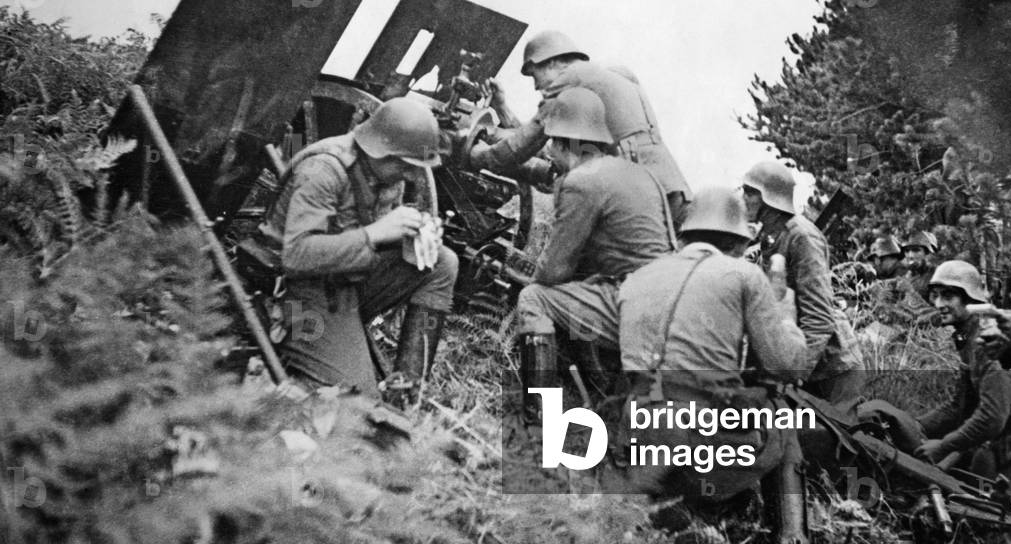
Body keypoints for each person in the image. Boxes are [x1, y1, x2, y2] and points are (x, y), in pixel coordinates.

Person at [614, 185, 807, 501]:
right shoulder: (744, 274)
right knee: (780, 412)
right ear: (738, 242)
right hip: (693, 445)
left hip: (635, 434)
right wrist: (786, 315)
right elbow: (785, 365)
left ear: (685, 235)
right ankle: (792, 535)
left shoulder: (638, 276)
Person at [257, 97, 458, 402]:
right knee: (359, 402)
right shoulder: (323, 170)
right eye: (404, 165)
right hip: (297, 296)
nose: (409, 175)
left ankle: (407, 391)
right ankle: (309, 350)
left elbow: (369, 234)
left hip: (345, 283)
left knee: (442, 263)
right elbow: (297, 256)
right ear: (381, 151)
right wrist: (376, 233)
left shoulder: (384, 175)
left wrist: (409, 239)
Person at [516, 86, 676, 422]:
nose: (550, 154)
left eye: (552, 144)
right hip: (672, 303)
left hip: (636, 306)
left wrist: (525, 276)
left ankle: (538, 417)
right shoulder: (640, 174)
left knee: (534, 299)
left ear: (562, 142)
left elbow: (553, 272)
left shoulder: (581, 182)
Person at [469, 30, 691, 230]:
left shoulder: (570, 81)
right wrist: (502, 109)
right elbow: (550, 148)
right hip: (670, 190)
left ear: (551, 62)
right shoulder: (607, 79)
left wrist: (478, 157)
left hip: (637, 200)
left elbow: (526, 144)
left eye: (535, 75)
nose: (536, 86)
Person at [866, 261, 1011, 485]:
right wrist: (915, 426)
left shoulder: (991, 340)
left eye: (948, 297)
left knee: (985, 506)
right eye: (936, 296)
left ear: (970, 300)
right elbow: (959, 406)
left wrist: (944, 446)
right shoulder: (968, 336)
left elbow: (992, 418)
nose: (939, 303)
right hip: (998, 440)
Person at [742, 160, 864, 411]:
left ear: (769, 198)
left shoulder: (801, 236)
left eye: (750, 192)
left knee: (841, 444)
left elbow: (819, 317)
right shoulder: (771, 236)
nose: (743, 198)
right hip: (811, 363)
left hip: (833, 370)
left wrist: (795, 372)